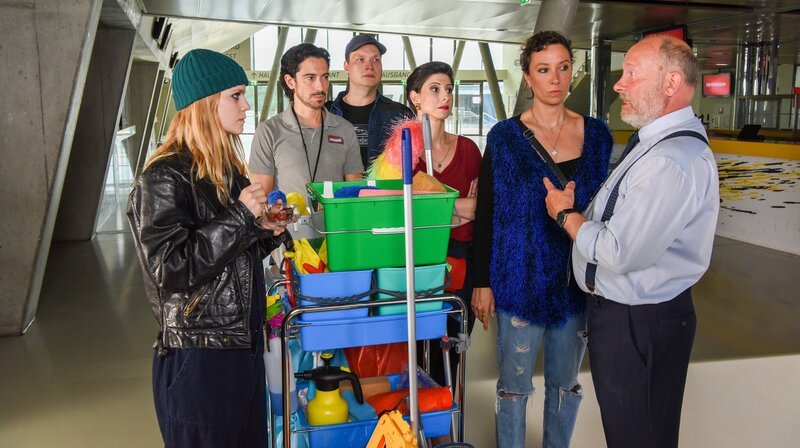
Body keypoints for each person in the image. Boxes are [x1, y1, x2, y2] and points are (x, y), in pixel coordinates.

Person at [543, 34, 719, 448]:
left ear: (672, 83)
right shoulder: (655, 144)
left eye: (632, 74)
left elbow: (618, 251)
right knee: (642, 433)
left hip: (637, 322)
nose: (619, 84)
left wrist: (565, 215)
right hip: (636, 317)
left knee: (636, 436)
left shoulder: (669, 161)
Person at [127, 49, 287, 447]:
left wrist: (264, 229)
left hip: (240, 344)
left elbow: (224, 260)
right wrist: (239, 216)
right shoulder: (163, 176)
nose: (246, 105)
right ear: (204, 103)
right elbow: (171, 268)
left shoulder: (223, 169)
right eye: (235, 95)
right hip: (198, 355)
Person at [471, 31, 614, 447]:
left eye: (564, 67)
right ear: (528, 77)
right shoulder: (504, 136)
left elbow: (607, 208)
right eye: (544, 69)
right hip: (518, 281)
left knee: (564, 384)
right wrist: (482, 280)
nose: (556, 79)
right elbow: (488, 212)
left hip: (576, 282)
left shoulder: (597, 134)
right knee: (513, 388)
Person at [405, 61, 482, 386]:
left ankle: (446, 428)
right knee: (417, 356)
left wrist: (436, 212)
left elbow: (481, 211)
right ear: (415, 98)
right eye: (434, 89)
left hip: (462, 265)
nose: (444, 96)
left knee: (453, 355)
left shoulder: (468, 149)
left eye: (448, 89)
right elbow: (405, 215)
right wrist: (459, 208)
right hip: (417, 263)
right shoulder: (403, 153)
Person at [250, 43, 363, 238]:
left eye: (325, 77)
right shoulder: (269, 131)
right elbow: (262, 202)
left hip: (336, 238)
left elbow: (355, 193)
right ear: (290, 81)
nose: (320, 86)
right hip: (287, 242)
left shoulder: (344, 130)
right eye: (310, 78)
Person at [327, 34, 415, 167]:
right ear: (346, 67)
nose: (369, 66)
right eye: (360, 59)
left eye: (376, 60)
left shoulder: (400, 115)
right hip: (334, 188)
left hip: (384, 188)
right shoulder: (326, 113)